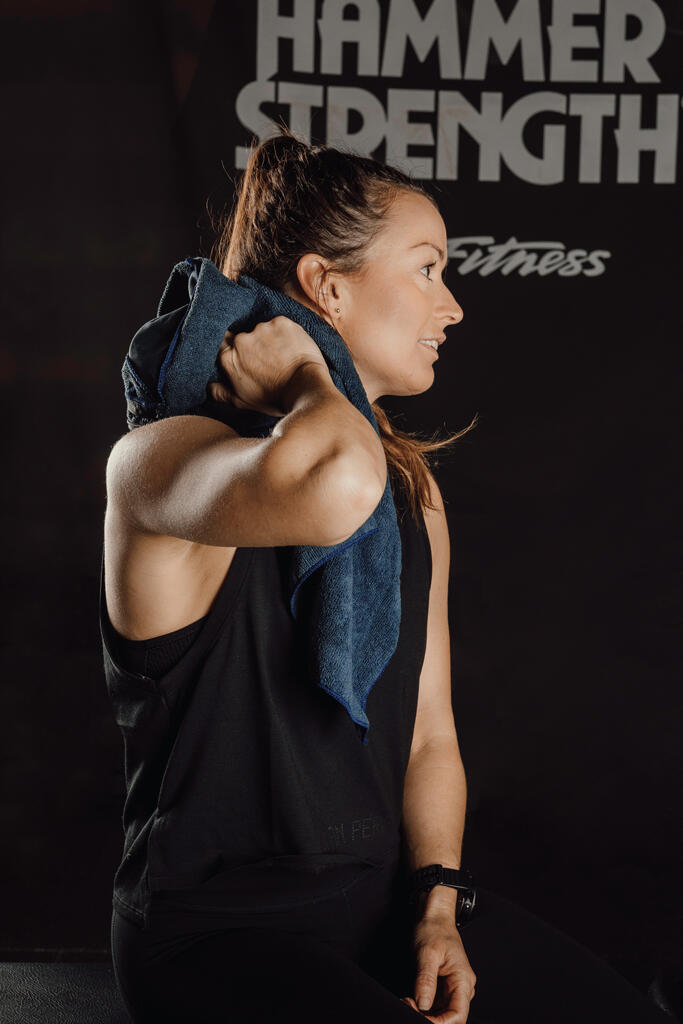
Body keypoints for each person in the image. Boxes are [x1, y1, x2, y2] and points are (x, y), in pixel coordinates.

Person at [101, 129, 671, 1024]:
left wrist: (438, 903)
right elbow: (333, 485)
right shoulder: (160, 463)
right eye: (427, 269)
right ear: (327, 287)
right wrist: (307, 378)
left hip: (378, 911)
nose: (452, 307)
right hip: (215, 933)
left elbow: (429, 734)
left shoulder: (410, 490)